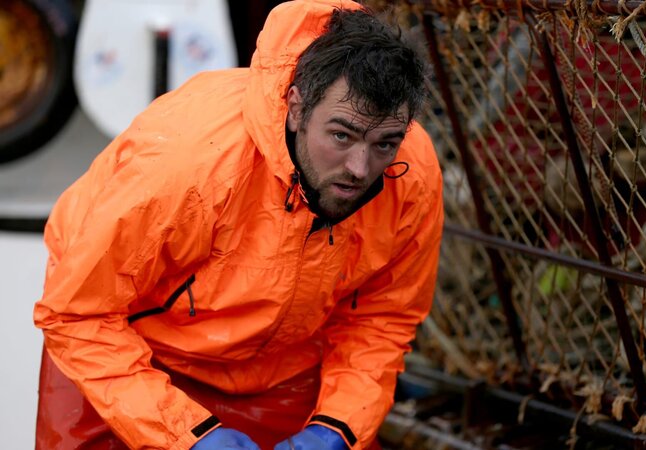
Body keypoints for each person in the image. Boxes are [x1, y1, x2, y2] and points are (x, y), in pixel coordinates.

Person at [32, 0, 443, 449]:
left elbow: (383, 317)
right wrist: (187, 436)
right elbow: (77, 313)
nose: (361, 169)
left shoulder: (412, 172)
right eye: (341, 135)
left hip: (281, 365)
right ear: (296, 107)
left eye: (385, 142)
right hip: (124, 350)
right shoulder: (187, 166)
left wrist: (337, 427)